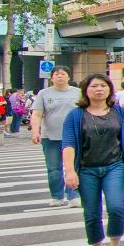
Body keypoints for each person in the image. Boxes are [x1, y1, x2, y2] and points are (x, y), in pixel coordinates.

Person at [61, 73, 124, 246]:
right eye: (94, 86)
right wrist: (70, 171)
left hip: (114, 166)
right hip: (86, 169)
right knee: (91, 213)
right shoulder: (75, 115)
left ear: (109, 90)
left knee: (116, 207)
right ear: (85, 91)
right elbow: (68, 144)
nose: (99, 89)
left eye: (103, 86)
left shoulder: (119, 112)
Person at [30, 67, 82, 207]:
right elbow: (36, 114)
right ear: (51, 77)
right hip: (50, 137)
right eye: (56, 74)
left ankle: (74, 195)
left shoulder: (78, 93)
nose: (59, 76)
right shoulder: (44, 94)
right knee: (54, 169)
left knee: (73, 167)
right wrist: (35, 131)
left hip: (74, 137)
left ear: (69, 77)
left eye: (63, 74)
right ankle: (57, 196)